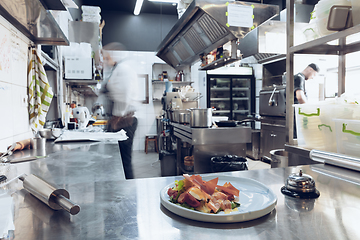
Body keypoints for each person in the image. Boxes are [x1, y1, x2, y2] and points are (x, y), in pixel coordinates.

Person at [100, 42, 140, 179]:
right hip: (121, 120)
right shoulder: (118, 69)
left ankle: (128, 192)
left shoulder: (123, 69)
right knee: (119, 160)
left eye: (106, 57)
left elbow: (125, 95)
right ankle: (121, 189)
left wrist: (117, 118)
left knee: (124, 160)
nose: (105, 61)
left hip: (124, 121)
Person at [293, 63, 320, 138]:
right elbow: (300, 97)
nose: (312, 78)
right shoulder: (299, 77)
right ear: (310, 69)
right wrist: (309, 110)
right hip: (296, 114)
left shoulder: (297, 77)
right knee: (297, 138)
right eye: (314, 75)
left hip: (293, 113)